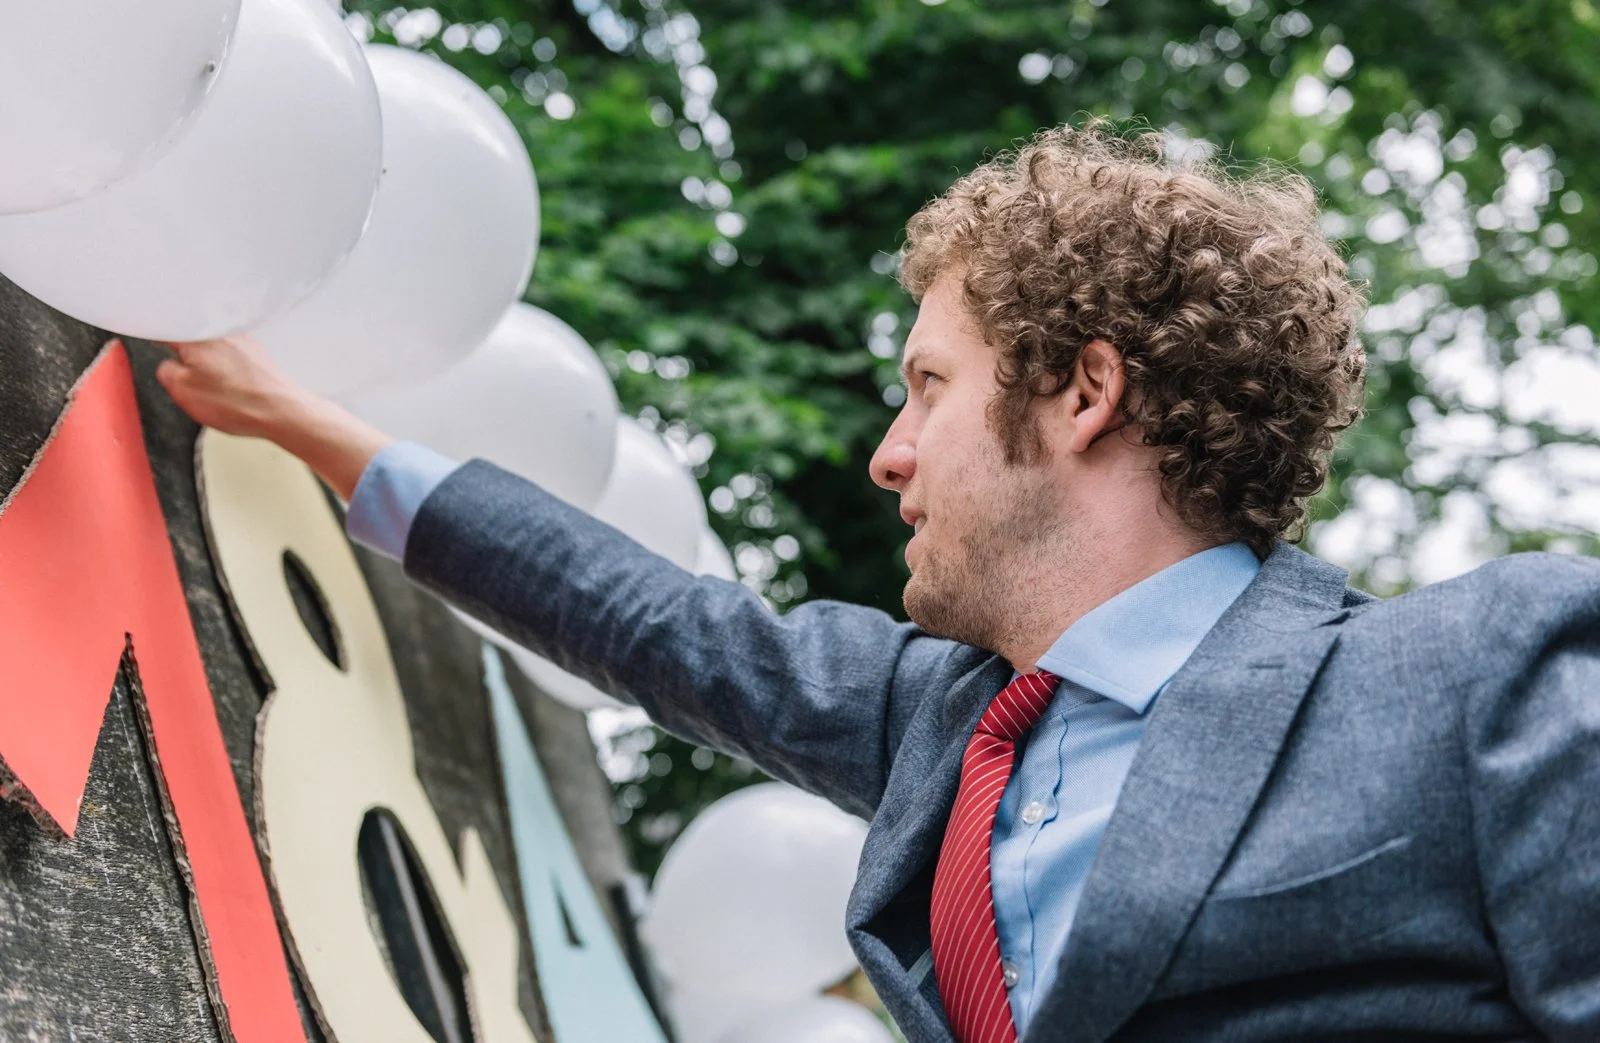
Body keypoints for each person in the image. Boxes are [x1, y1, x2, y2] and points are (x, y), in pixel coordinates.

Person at [157, 122, 1600, 1043]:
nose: (887, 455)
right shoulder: (939, 723)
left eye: (928, 387)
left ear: (1083, 391)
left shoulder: (1483, 674)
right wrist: (313, 428)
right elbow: (650, 619)